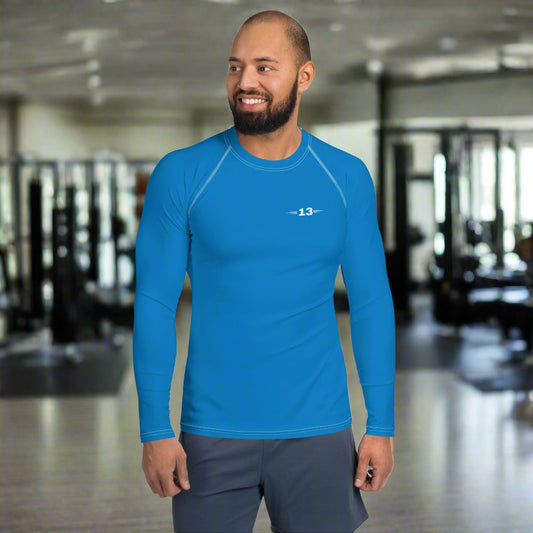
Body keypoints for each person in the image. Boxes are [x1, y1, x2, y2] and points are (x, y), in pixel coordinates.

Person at [133, 9, 396, 533]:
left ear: (304, 76)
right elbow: (155, 304)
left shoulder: (344, 177)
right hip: (211, 434)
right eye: (235, 67)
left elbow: (370, 302)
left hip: (318, 433)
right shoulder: (182, 174)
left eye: (263, 67)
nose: (244, 82)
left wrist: (381, 424)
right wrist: (153, 429)